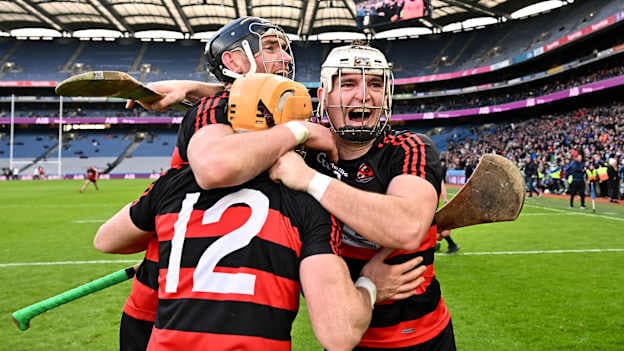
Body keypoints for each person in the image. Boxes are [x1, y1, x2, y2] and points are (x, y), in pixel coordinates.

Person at [119, 18, 422, 351]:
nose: (286, 57)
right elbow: (216, 166)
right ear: (233, 61)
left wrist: (193, 88)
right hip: (165, 303)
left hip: (224, 297)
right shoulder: (220, 109)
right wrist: (298, 132)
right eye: (271, 47)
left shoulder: (276, 110)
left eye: (284, 47)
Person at [185, 43, 455, 350]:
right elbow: (241, 117)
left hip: (421, 337)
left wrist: (309, 179)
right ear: (324, 95)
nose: (364, 95)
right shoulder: (303, 146)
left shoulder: (409, 147)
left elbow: (406, 228)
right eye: (349, 83)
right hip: (343, 327)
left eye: (375, 84)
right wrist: (194, 88)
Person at [439, 159, 460, 254]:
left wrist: (445, 199)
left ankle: (452, 245)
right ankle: (452, 245)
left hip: (437, 208)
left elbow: (442, 185)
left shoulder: (435, 176)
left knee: (441, 233)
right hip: (435, 206)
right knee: (439, 234)